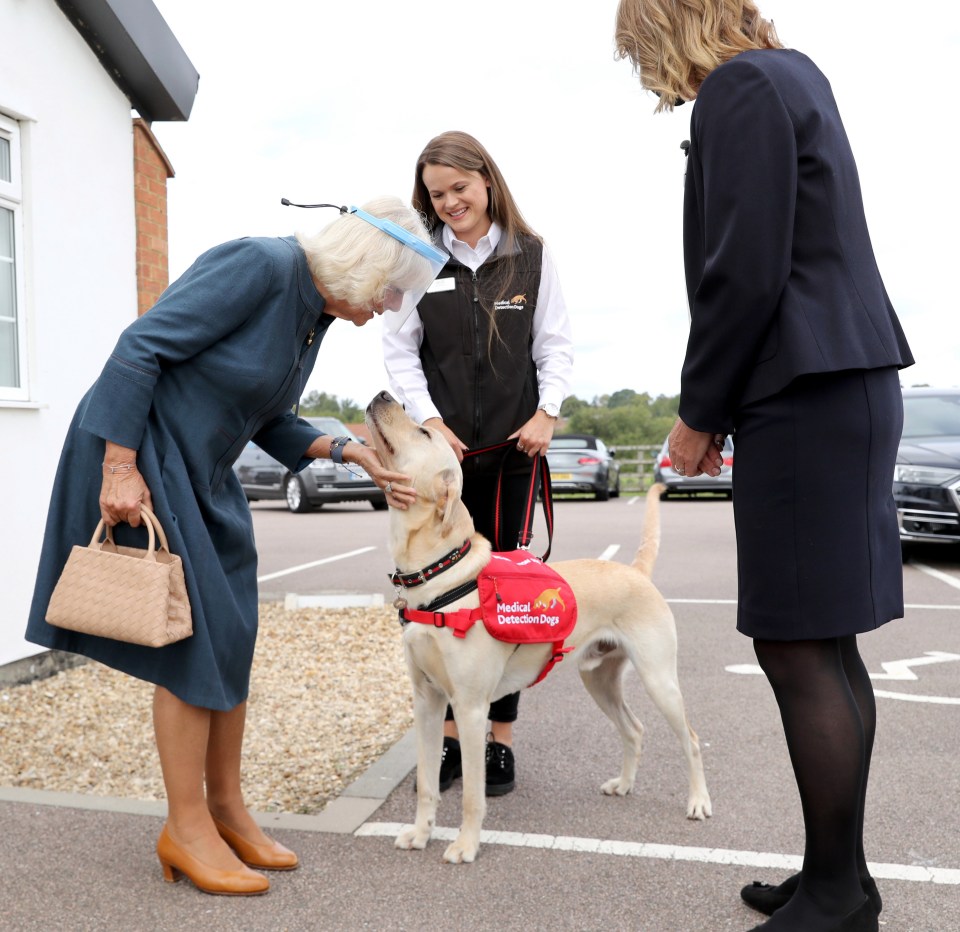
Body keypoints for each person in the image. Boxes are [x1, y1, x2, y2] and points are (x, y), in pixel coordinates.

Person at [25, 196, 436, 897]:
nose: (391, 306)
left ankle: (225, 809)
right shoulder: (263, 265)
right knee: (192, 645)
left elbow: (268, 416)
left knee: (233, 631)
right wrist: (118, 467)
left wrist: (345, 448)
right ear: (365, 265)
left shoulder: (313, 315)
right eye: (392, 290)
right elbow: (140, 347)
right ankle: (185, 830)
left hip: (204, 470)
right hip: (146, 456)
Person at [614, 3, 913, 931]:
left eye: (642, 55)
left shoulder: (738, 89)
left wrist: (697, 414)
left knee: (796, 642)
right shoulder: (795, 75)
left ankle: (835, 894)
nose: (650, 77)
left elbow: (743, 270)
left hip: (803, 387)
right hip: (845, 382)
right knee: (826, 641)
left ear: (666, 31)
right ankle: (841, 876)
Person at [383, 130, 574, 797]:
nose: (450, 202)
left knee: (504, 589)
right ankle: (448, 741)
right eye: (437, 194)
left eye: (459, 188)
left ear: (486, 180)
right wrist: (430, 423)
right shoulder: (419, 261)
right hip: (444, 462)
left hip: (514, 451)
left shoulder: (532, 257)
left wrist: (547, 412)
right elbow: (399, 351)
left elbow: (553, 345)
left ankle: (498, 739)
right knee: (437, 592)